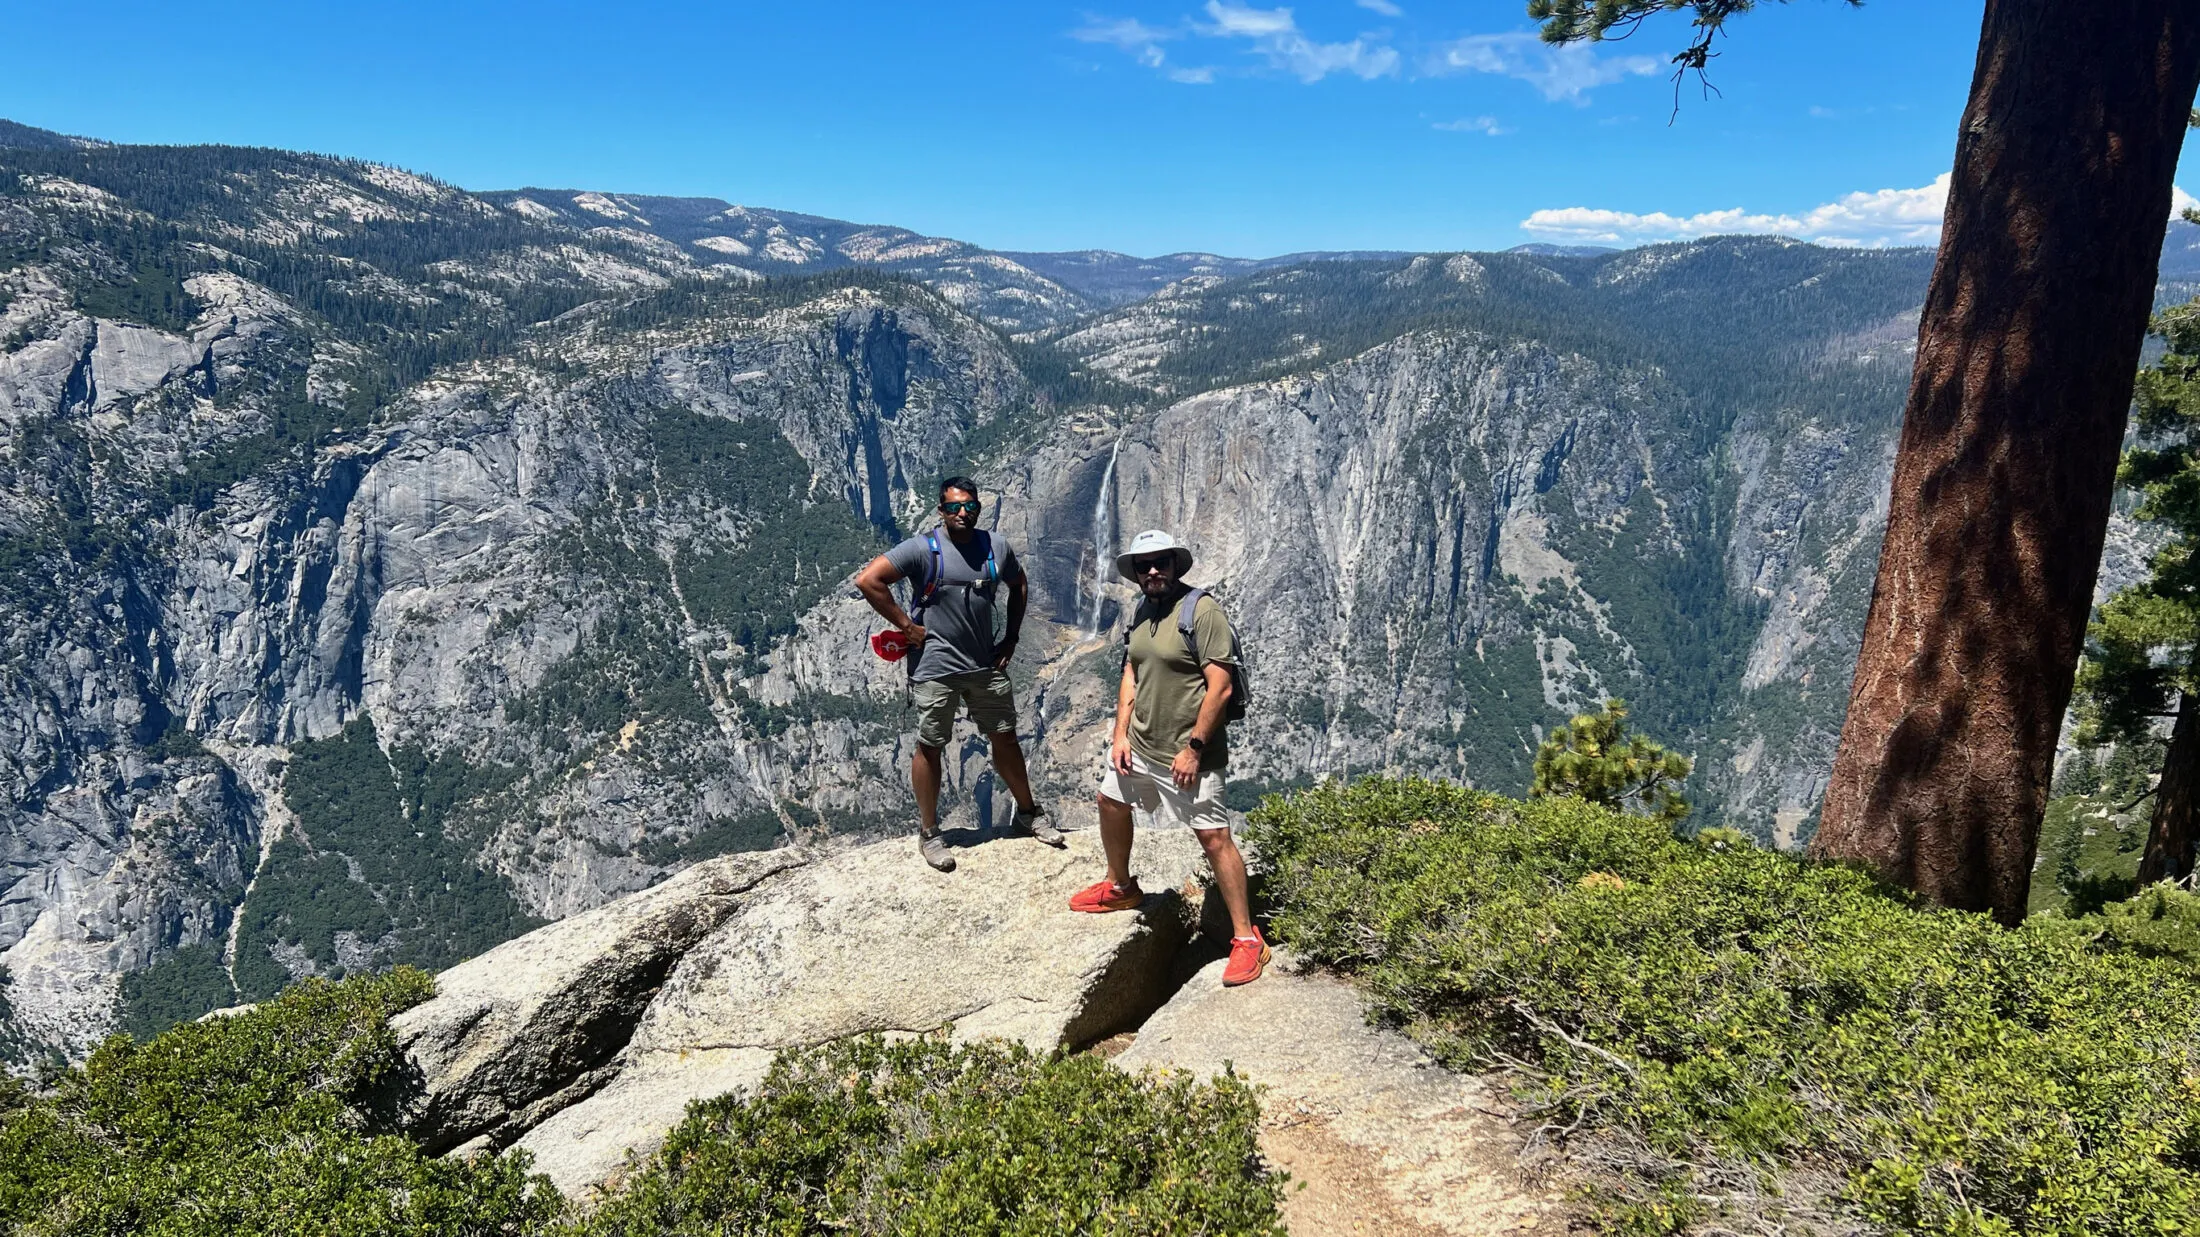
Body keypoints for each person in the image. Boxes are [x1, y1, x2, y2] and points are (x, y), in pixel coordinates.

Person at [1068, 529, 1268, 986]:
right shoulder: (1143, 609)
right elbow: (1131, 671)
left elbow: (1221, 687)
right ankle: (1121, 886)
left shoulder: (1202, 611)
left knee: (1214, 838)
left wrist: (1194, 749)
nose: (1153, 570)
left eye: (1161, 562)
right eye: (1144, 565)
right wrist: (1120, 735)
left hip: (1186, 753)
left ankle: (1246, 938)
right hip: (1140, 745)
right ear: (1136, 573)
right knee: (1110, 802)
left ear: (1176, 564)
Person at [855, 477, 1061, 871]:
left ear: (978, 509)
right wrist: (906, 625)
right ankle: (930, 833)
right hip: (935, 667)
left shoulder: (996, 547)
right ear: (941, 511)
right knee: (931, 746)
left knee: (1005, 737)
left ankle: (1028, 814)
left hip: (984, 664)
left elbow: (1019, 583)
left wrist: (1012, 638)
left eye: (969, 506)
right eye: (953, 507)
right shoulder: (922, 549)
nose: (962, 513)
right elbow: (868, 580)